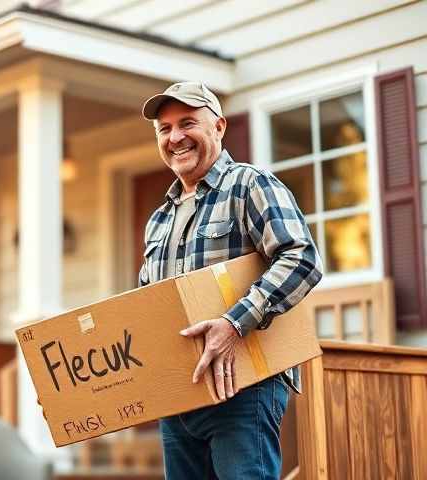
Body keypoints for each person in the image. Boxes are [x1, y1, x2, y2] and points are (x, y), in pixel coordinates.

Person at [138, 81, 323, 479]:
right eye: (164, 129)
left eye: (187, 123)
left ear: (219, 127)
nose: (175, 137)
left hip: (243, 387)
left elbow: (301, 258)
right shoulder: (159, 220)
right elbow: (146, 306)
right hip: (178, 397)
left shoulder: (249, 185)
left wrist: (233, 323)